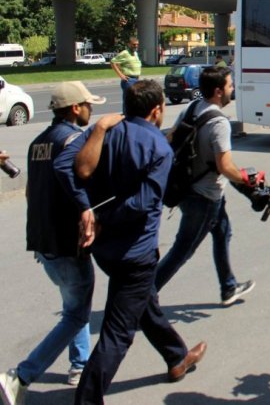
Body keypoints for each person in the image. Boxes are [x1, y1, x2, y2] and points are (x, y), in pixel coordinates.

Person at [54, 80, 206, 405]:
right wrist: (98, 215)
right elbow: (144, 203)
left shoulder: (105, 132)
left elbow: (64, 165)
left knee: (142, 300)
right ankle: (88, 399)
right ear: (157, 111)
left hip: (104, 250)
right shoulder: (159, 148)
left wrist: (87, 209)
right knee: (118, 332)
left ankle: (177, 356)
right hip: (135, 253)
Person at [0, 82, 106, 405]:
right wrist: (86, 207)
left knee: (73, 306)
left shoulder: (37, 144)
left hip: (43, 244)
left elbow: (32, 193)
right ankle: (22, 375)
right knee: (76, 314)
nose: (92, 109)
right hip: (66, 244)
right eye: (88, 104)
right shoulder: (75, 140)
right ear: (75, 108)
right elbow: (71, 175)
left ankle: (79, 365)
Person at [155, 67, 255, 306]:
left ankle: (228, 287)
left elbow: (170, 139)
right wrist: (248, 180)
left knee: (222, 233)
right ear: (219, 91)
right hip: (204, 197)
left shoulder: (191, 108)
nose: (232, 89)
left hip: (190, 189)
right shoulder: (219, 123)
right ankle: (142, 296)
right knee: (182, 250)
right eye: (230, 85)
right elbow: (224, 166)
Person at [110, 37, 142, 112]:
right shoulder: (125, 53)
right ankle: (126, 117)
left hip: (136, 79)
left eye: (137, 44)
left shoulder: (135, 53)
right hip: (129, 80)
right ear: (129, 44)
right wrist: (121, 75)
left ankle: (132, 117)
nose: (136, 46)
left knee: (135, 100)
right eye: (134, 44)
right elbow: (112, 62)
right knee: (129, 101)